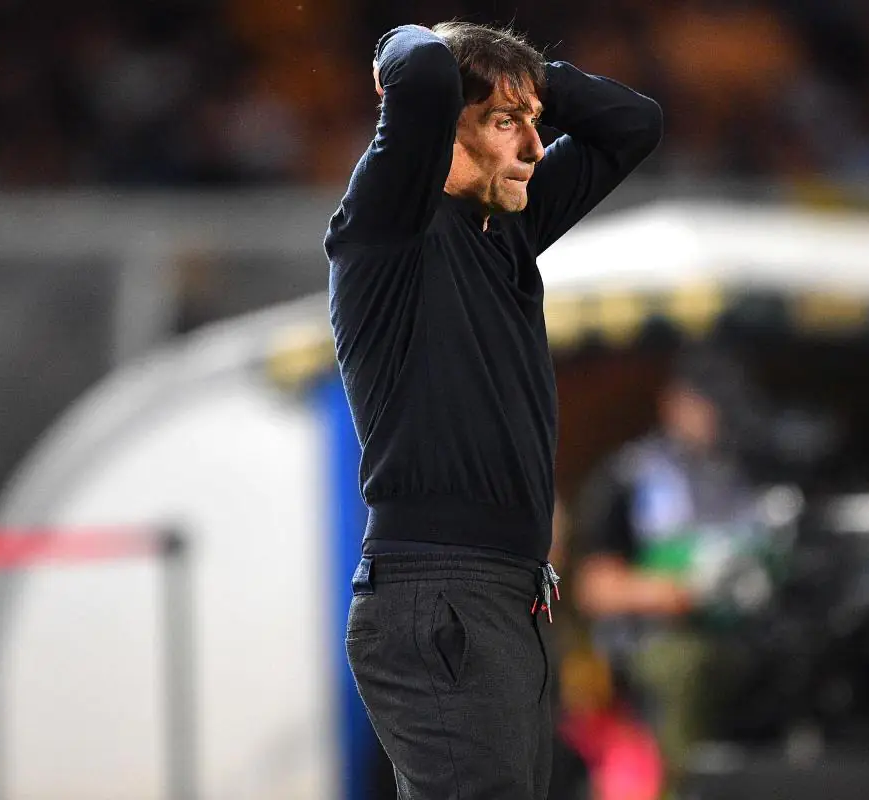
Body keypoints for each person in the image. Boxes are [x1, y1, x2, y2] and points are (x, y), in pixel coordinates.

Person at [324, 20, 663, 799]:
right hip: (440, 591)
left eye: (534, 123)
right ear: (441, 128)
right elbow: (418, 68)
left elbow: (633, 124)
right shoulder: (388, 226)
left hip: (507, 595)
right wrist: (418, 49)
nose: (536, 148)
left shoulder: (506, 230)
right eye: (507, 123)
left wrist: (521, 80)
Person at [573, 349, 772, 784]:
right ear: (675, 402)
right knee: (685, 664)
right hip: (657, 643)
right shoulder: (634, 475)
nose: (718, 417)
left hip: (744, 637)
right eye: (708, 403)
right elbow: (593, 587)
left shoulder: (745, 474)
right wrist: (674, 591)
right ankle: (680, 785)